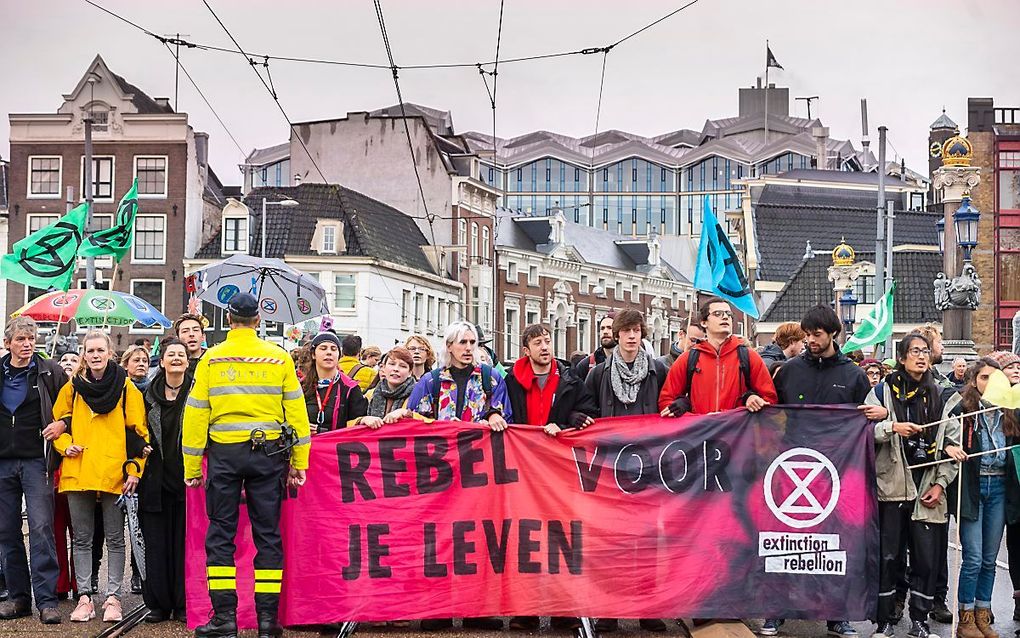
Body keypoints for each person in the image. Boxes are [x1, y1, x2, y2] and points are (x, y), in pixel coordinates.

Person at [182, 293, 311, 638]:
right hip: (269, 456)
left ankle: (225, 618)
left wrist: (192, 467)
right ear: (258, 320)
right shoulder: (279, 358)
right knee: (268, 536)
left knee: (221, 536)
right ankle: (268, 622)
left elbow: (196, 415)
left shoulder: (211, 359)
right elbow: (297, 414)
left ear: (229, 317)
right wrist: (300, 462)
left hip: (224, 456)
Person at [760, 306, 884, 638]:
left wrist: (880, 415)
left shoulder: (854, 375)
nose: (810, 341)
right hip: (793, 469)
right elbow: (768, 412)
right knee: (785, 543)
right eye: (807, 335)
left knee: (835, 545)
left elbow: (866, 423)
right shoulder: (788, 372)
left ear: (833, 334)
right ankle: (777, 611)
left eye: (817, 335)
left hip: (838, 472)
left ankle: (836, 615)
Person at [408, 321, 510, 632]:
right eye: (462, 342)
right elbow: (415, 420)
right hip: (440, 476)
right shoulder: (431, 380)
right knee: (438, 542)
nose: (468, 348)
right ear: (449, 346)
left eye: (472, 342)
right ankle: (437, 609)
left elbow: (505, 414)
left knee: (476, 541)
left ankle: (475, 610)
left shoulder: (491, 378)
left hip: (478, 475)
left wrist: (495, 414)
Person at [866, 333, 965, 638]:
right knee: (888, 557)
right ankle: (883, 622)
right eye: (914, 351)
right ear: (902, 357)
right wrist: (891, 426)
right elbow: (863, 433)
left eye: (925, 351)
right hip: (891, 486)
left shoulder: (944, 394)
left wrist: (941, 484)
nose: (921, 356)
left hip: (927, 489)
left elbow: (954, 443)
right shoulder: (882, 393)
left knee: (926, 559)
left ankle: (919, 622)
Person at [503, 324, 598, 632]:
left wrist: (569, 419)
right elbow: (501, 413)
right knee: (526, 540)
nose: (545, 347)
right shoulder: (511, 381)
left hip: (560, 472)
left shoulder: (571, 380)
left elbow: (588, 410)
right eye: (538, 343)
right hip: (523, 470)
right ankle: (526, 610)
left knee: (561, 540)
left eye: (548, 341)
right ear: (526, 350)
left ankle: (563, 610)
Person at [51, 330, 148, 623]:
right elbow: (59, 423)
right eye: (89, 350)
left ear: (109, 353)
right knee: (82, 539)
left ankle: (113, 598)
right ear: (84, 353)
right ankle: (84, 597)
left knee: (116, 539)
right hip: (79, 469)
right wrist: (65, 445)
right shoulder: (73, 387)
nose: (94, 355)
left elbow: (138, 433)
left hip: (114, 471)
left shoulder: (127, 388)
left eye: (99, 350)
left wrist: (134, 469)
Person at [582, 310, 668, 632]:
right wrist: (580, 418)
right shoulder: (599, 374)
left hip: (647, 467)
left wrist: (681, 407)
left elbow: (672, 401)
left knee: (647, 540)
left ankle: (648, 610)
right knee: (611, 541)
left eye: (637, 330)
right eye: (626, 331)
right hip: (610, 468)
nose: (632, 336)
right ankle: (609, 610)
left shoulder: (657, 370)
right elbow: (586, 408)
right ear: (616, 335)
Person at [0, 317, 67, 625]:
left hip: (36, 461)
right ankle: (18, 599)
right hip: (2, 463)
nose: (27, 344)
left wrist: (62, 424)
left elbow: (71, 405)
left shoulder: (50, 371)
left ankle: (47, 600)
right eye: (21, 339)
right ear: (7, 343)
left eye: (31, 338)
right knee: (6, 531)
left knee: (41, 530)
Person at [949, 358, 1018, 638]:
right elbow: (945, 439)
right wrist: (951, 449)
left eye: (995, 378)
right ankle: (965, 619)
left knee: (990, 559)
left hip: (1000, 487)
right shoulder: (964, 411)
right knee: (974, 557)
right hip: (974, 487)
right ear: (974, 381)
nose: (989, 383)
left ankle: (982, 615)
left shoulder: (1009, 412)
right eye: (984, 377)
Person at [137, 338, 192, 623]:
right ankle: (157, 604)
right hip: (154, 480)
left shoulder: (197, 394)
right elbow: (135, 430)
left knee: (184, 545)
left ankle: (183, 603)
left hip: (186, 481)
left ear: (187, 361)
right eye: (171, 354)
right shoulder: (147, 394)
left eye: (181, 355)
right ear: (162, 361)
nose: (176, 358)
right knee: (156, 544)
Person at [659, 297, 778, 417]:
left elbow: (770, 399)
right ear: (704, 322)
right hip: (700, 433)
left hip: (736, 432)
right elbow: (666, 402)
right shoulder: (688, 358)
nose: (725, 317)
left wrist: (751, 398)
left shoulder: (749, 356)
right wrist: (686, 411)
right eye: (717, 314)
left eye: (729, 314)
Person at [302, 332, 369, 433]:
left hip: (337, 447)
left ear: (339, 355)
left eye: (334, 349)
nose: (329, 352)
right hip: (305, 446)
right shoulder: (301, 386)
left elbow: (357, 428)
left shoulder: (350, 388)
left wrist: (321, 431)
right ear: (313, 354)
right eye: (323, 348)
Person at [363, 347, 420, 426]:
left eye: (403, 366)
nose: (396, 369)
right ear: (383, 368)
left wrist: (406, 413)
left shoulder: (418, 395)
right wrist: (363, 419)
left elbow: (429, 422)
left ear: (410, 372)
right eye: (392, 364)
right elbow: (350, 423)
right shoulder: (369, 395)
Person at [573, 313, 616, 381]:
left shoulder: (629, 361)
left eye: (609, 328)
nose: (605, 332)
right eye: (602, 328)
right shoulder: (585, 365)